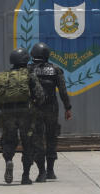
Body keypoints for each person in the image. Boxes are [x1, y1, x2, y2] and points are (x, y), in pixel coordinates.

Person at [0, 47, 45, 184]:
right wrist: (34, 106)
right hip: (26, 114)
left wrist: (5, 109)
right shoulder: (29, 74)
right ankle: (25, 176)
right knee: (28, 143)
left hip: (7, 114)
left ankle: (9, 160)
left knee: (8, 141)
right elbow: (40, 96)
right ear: (25, 60)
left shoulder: (4, 75)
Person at [28, 42, 73, 182]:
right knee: (51, 137)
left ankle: (41, 172)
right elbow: (63, 92)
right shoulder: (56, 70)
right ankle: (50, 171)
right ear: (47, 55)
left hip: (35, 109)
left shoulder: (28, 70)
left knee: (37, 139)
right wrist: (68, 108)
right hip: (52, 109)